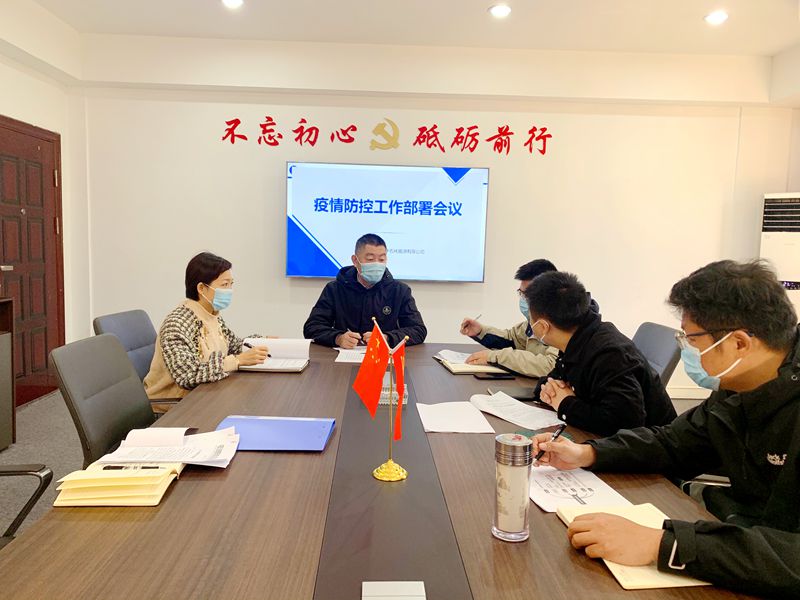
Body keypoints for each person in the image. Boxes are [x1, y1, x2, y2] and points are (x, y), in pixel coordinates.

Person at [532, 260, 800, 598]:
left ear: (739, 344)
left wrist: (661, 544)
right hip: (740, 536)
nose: (688, 349)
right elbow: (674, 442)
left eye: (691, 339)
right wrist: (587, 453)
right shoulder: (740, 385)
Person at [527, 271, 676, 436]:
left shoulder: (609, 354)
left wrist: (565, 403)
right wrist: (547, 390)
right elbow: (553, 381)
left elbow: (625, 424)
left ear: (543, 326)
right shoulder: (578, 338)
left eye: (530, 318)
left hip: (652, 445)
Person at [144, 252, 268, 401]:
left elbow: (234, 345)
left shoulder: (212, 314)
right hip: (173, 405)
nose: (229, 290)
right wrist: (236, 361)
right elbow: (187, 376)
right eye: (224, 285)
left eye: (231, 284)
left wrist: (265, 342)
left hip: (205, 395)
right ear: (202, 288)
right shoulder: (177, 324)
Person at [303, 233, 427, 348]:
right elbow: (312, 327)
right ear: (355, 260)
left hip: (383, 357)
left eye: (381, 259)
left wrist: (387, 338)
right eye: (370, 259)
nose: (377, 264)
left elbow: (418, 330)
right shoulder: (335, 289)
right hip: (343, 357)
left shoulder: (399, 291)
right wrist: (337, 338)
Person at [459, 259, 559, 376]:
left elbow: (551, 366)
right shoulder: (533, 323)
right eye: (521, 293)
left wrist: (495, 357)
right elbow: (512, 340)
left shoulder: (563, 325)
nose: (523, 299)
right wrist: (480, 331)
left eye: (527, 295)